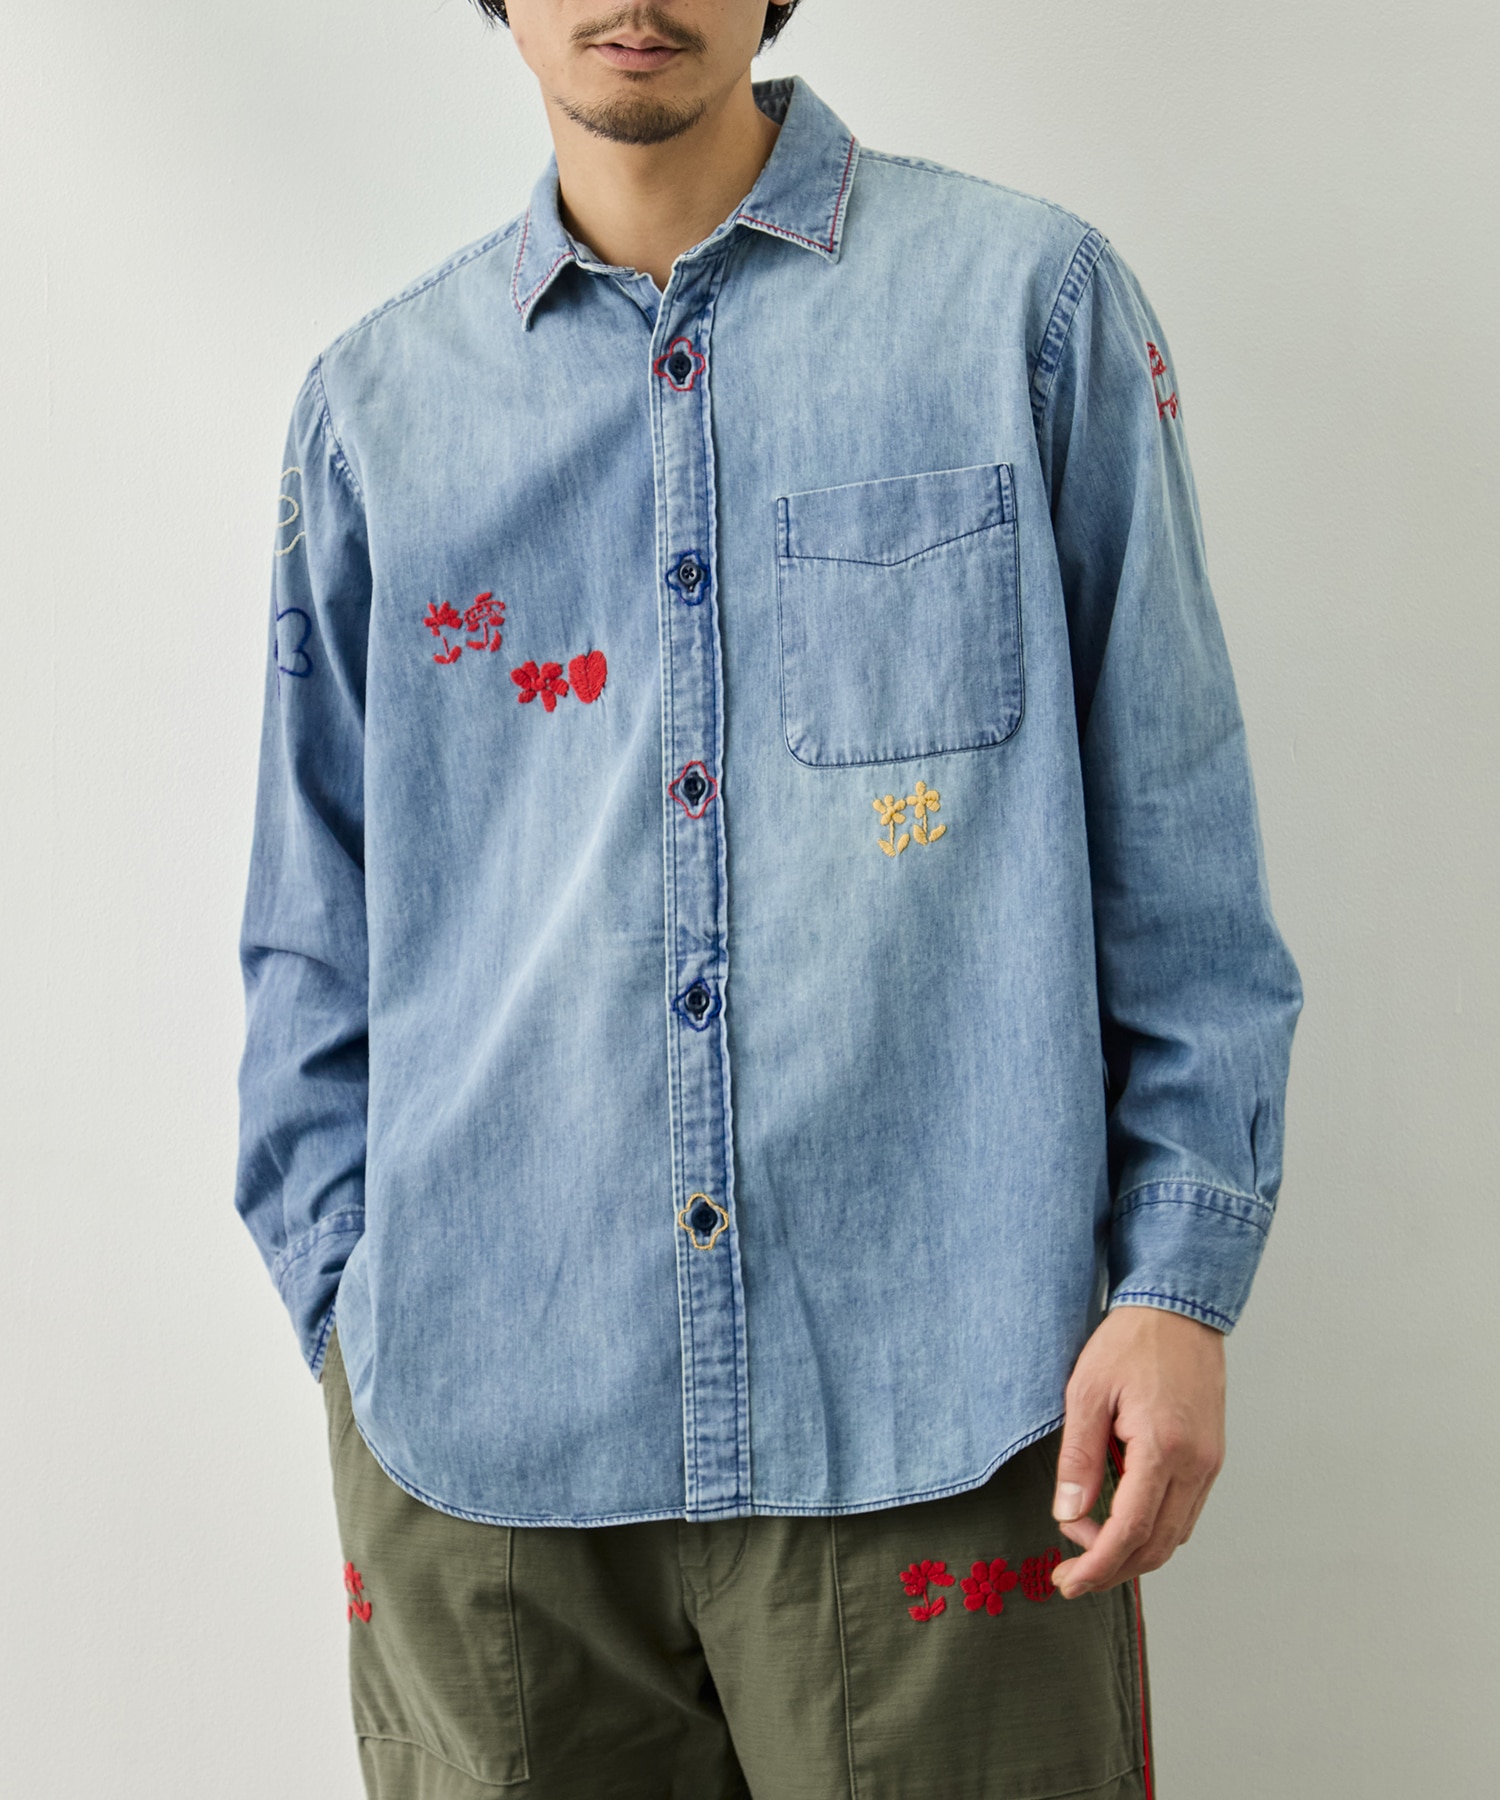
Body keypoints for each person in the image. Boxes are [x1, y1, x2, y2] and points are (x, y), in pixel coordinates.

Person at [234, 2, 1303, 1794]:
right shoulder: (376, 412)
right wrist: (350, 1312)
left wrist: (1180, 1283)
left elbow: (1177, 846)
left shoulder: (1024, 312)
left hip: (954, 1417)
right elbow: (305, 932)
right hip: (483, 1450)